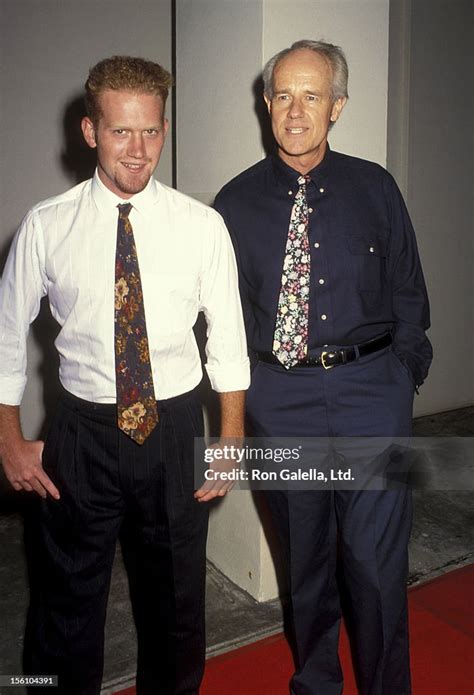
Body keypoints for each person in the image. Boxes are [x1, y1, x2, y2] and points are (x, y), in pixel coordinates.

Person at [0, 55, 249, 695]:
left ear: (164, 129)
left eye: (152, 131)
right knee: (64, 601)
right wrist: (8, 438)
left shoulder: (202, 227)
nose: (138, 152)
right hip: (81, 432)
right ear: (90, 132)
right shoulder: (45, 226)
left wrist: (228, 441)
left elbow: (228, 339)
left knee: (174, 600)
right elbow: (3, 335)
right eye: (120, 132)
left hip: (171, 428)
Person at [214, 40, 432, 695]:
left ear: (337, 105)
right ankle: (316, 681)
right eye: (283, 94)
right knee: (304, 560)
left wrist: (403, 378)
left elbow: (410, 292)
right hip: (283, 401)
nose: (295, 109)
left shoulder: (377, 187)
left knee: (375, 563)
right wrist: (251, 400)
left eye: (311, 95)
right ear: (266, 103)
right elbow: (225, 319)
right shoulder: (233, 204)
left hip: (373, 394)